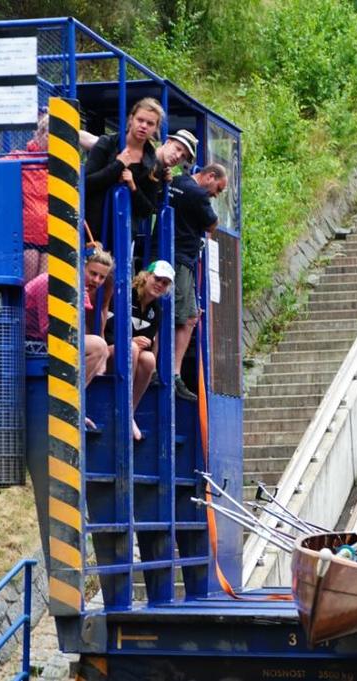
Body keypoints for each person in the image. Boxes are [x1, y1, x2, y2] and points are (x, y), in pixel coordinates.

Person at [167, 163, 228, 401]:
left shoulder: (177, 182)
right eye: (218, 189)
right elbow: (212, 224)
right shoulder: (198, 193)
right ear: (210, 176)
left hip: (171, 253)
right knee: (186, 316)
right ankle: (173, 373)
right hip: (182, 258)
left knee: (183, 314)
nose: (216, 194)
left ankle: (170, 371)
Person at [18, 112, 98, 282]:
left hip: (52, 233)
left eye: (57, 136)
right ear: (40, 134)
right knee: (28, 285)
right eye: (49, 135)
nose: (51, 141)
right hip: (29, 234)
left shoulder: (62, 165)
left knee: (44, 283)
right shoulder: (21, 158)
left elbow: (96, 144)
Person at [83, 98, 164, 257]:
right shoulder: (107, 143)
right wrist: (117, 165)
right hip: (93, 229)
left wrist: (133, 186)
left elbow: (148, 209)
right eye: (140, 120)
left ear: (155, 128)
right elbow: (86, 183)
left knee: (113, 278)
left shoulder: (151, 162)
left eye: (150, 123)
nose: (143, 126)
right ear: (131, 119)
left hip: (122, 233)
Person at [24, 246, 114, 388]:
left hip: (50, 339)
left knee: (103, 350)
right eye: (93, 273)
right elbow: (47, 331)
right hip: (28, 342)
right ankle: (68, 395)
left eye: (102, 277)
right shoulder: (49, 282)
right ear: (81, 266)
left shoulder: (79, 289)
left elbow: (79, 329)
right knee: (98, 347)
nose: (96, 280)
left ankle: (76, 398)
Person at [104, 260, 175, 440]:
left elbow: (149, 344)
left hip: (130, 355)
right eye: (157, 279)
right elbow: (107, 333)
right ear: (146, 276)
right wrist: (130, 341)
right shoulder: (124, 296)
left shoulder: (156, 310)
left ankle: (129, 413)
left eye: (165, 283)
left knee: (149, 359)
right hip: (108, 353)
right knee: (133, 348)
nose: (160, 285)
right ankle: (121, 407)